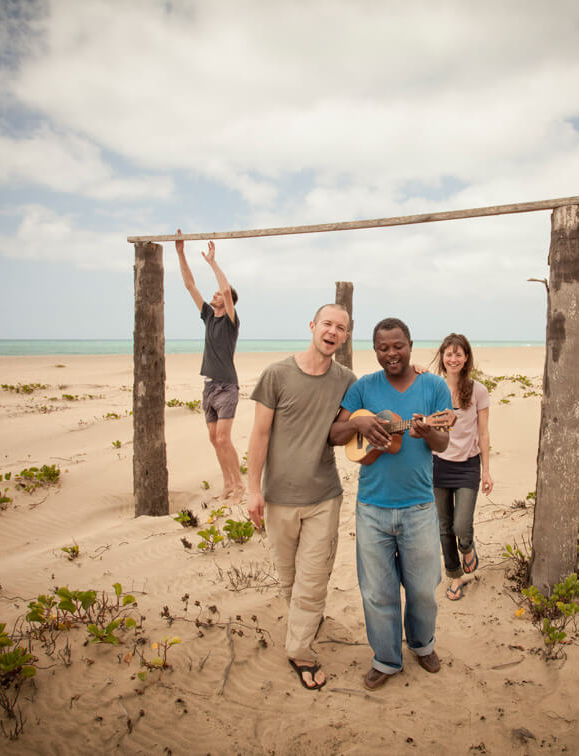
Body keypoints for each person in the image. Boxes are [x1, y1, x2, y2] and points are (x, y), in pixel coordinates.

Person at [329, 317, 452, 690]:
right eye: (383, 348)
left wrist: (429, 432)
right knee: (377, 591)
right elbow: (335, 433)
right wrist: (359, 426)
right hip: (372, 507)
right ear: (376, 350)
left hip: (418, 506)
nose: (391, 353)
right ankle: (385, 659)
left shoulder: (434, 387)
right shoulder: (363, 387)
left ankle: (422, 643)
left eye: (397, 346)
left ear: (410, 344)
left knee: (420, 589)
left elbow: (444, 443)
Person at [246, 304, 355, 691]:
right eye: (327, 323)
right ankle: (306, 620)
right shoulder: (277, 374)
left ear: (345, 336)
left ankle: (300, 651)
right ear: (312, 326)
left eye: (341, 327)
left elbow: (375, 399)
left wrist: (419, 372)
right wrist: (252, 489)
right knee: (289, 583)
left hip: (324, 497)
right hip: (278, 498)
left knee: (312, 582)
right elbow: (259, 435)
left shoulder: (346, 380)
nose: (332, 331)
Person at [175, 231, 243, 499]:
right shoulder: (208, 317)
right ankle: (227, 485)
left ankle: (239, 485)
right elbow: (190, 285)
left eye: (218, 295)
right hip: (209, 386)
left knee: (225, 439)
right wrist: (180, 252)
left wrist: (213, 263)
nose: (214, 296)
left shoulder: (230, 322)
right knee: (215, 440)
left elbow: (226, 290)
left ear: (227, 304)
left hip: (227, 386)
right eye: (213, 294)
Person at [430, 333, 493, 602]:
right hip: (438, 466)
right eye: (449, 354)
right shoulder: (434, 388)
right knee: (443, 528)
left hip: (467, 466)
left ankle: (468, 548)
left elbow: (484, 433)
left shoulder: (478, 390)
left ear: (466, 358)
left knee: (461, 526)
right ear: (442, 358)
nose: (453, 358)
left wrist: (486, 470)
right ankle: (455, 577)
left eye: (458, 354)